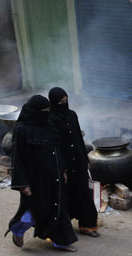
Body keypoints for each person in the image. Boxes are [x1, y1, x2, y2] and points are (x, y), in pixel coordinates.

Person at [4, 95, 78, 252]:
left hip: (54, 175)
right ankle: (18, 229)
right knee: (36, 210)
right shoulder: (22, 130)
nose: (47, 113)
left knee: (59, 209)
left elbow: (56, 149)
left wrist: (62, 170)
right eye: (44, 111)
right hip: (35, 179)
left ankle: (61, 242)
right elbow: (18, 158)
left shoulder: (49, 123)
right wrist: (22, 184)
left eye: (48, 110)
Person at [49, 87, 99, 237]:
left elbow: (78, 138)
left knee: (84, 194)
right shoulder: (50, 120)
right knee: (65, 197)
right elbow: (55, 146)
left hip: (78, 162)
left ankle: (87, 226)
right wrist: (61, 168)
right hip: (64, 164)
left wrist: (85, 159)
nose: (64, 104)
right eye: (61, 102)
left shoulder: (72, 115)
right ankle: (64, 229)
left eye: (66, 100)